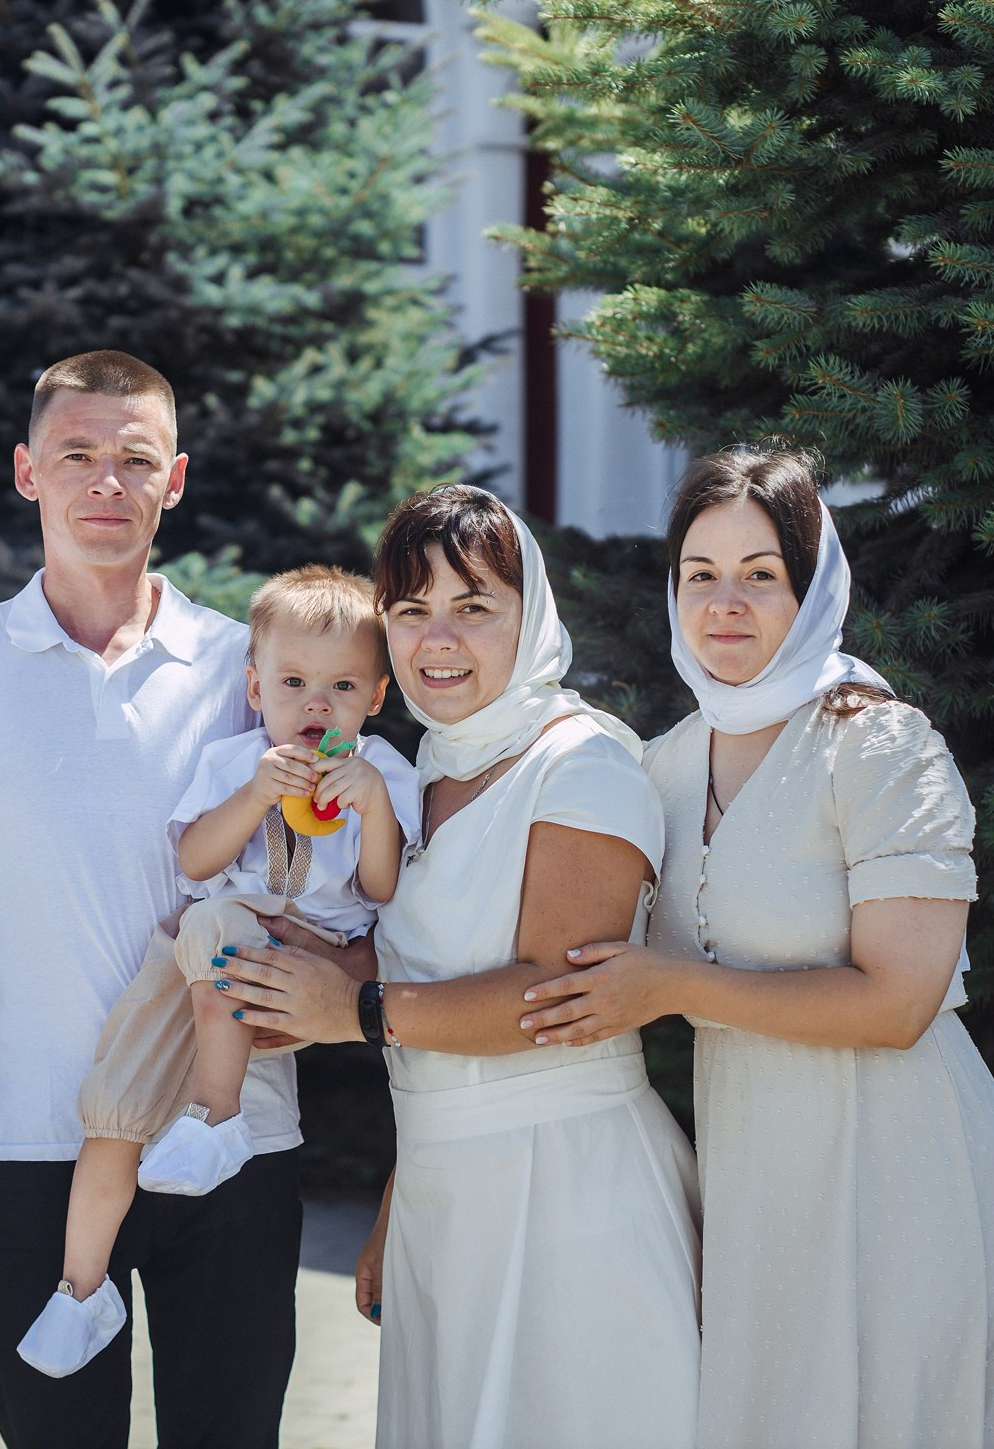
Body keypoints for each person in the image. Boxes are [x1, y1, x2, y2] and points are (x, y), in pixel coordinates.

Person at [519, 442, 994, 1446]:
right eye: (700, 576)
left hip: (904, 1177)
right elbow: (567, 965)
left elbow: (898, 1006)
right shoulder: (656, 769)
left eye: (761, 576)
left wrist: (675, 984)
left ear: (811, 589)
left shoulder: (880, 745)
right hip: (756, 1191)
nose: (726, 605)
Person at [0, 350, 339, 1448]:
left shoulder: (249, 667)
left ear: (174, 478)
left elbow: (325, 860)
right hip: (27, 1134)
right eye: (78, 456)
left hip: (229, 1131)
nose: (107, 482)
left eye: (134, 459)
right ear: (26, 470)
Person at [212, 485, 702, 1448]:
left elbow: (556, 997)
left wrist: (351, 1005)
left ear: (530, 617)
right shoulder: (426, 770)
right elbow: (434, 1002)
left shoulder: (581, 762)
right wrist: (403, 1194)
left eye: (473, 607)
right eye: (410, 610)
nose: (438, 638)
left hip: (565, 1194)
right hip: (448, 1193)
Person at [17, 565, 421, 1377]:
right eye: (294, 682)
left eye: (342, 685)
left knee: (217, 924)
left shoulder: (381, 770)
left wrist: (372, 799)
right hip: (199, 960)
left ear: (376, 694)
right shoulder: (236, 758)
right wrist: (253, 793)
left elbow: (381, 887)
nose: (316, 704)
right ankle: (80, 1291)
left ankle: (218, 1112)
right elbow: (196, 856)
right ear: (255, 685)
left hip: (294, 965)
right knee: (114, 1111)